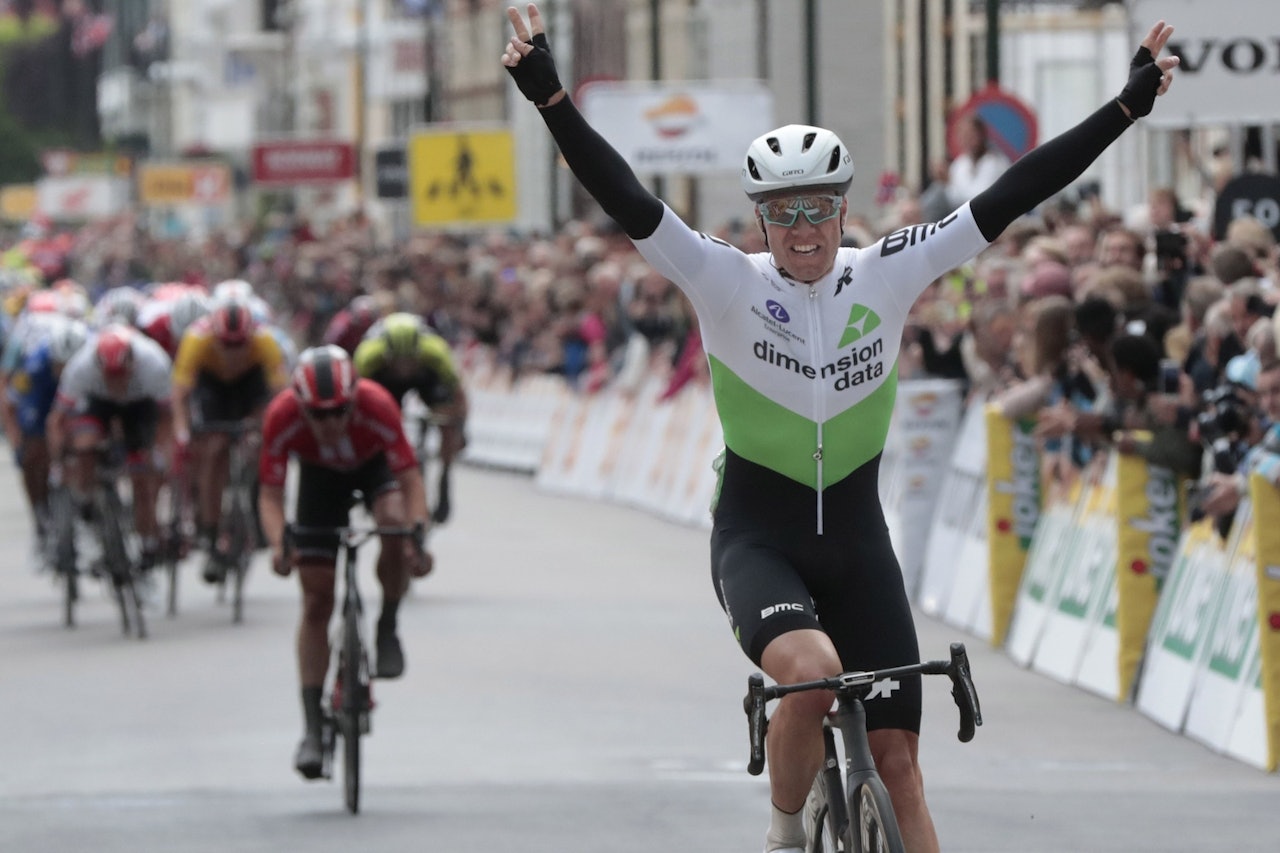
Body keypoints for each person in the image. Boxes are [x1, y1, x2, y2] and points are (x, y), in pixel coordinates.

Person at [501, 7, 1178, 852]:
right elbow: (629, 199)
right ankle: (787, 835)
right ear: (760, 220)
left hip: (859, 538)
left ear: (843, 205)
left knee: (900, 765)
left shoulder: (888, 272)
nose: (804, 229)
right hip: (759, 537)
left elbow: (1010, 195)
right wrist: (554, 99)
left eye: (818, 207)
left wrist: (1123, 109)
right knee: (814, 676)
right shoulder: (722, 281)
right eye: (783, 213)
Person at [257, 345, 431, 780]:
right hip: (319, 482)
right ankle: (312, 728)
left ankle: (388, 622)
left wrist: (418, 539)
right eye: (318, 414)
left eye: (340, 411)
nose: (331, 423)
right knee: (317, 600)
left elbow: (410, 481)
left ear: (355, 400)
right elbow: (271, 496)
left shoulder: (377, 404)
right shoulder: (281, 416)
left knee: (393, 523)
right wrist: (280, 544)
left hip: (374, 469)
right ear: (300, 407)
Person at [171, 298, 291, 582]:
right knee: (214, 450)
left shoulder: (264, 341)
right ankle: (211, 531)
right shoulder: (197, 339)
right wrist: (182, 433)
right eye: (227, 344)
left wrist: (271, 433)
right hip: (213, 384)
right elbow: (180, 394)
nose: (234, 352)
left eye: (240, 345)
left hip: (250, 383)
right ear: (216, 336)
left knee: (262, 438)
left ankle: (257, 502)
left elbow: (281, 395)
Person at [46, 324, 175, 572]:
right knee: (85, 446)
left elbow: (167, 417)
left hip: (139, 407)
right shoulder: (81, 367)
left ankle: (147, 541)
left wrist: (161, 453)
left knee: (143, 478)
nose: (117, 381)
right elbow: (56, 420)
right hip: (99, 404)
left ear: (132, 366)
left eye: (122, 375)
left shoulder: (153, 364)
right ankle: (89, 499)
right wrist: (58, 461)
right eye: (110, 376)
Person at [353, 312, 468, 524]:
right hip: (384, 380)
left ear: (418, 353)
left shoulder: (436, 353)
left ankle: (445, 472)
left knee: (446, 419)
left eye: (409, 361)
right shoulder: (368, 357)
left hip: (424, 376)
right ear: (387, 355)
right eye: (398, 362)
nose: (404, 368)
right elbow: (355, 405)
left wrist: (460, 429)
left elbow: (458, 396)